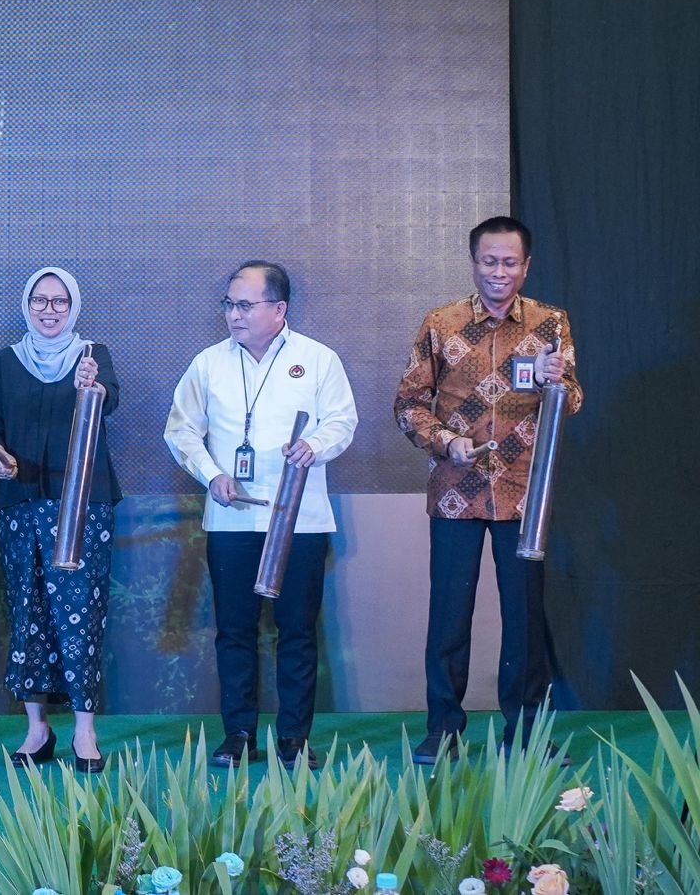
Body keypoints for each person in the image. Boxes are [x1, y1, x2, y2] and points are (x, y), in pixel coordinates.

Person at [393, 215, 583, 764]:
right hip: (456, 490)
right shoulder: (442, 323)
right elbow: (407, 405)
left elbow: (572, 400)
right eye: (489, 261)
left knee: (524, 618)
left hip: (526, 494)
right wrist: (444, 441)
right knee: (449, 615)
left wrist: (555, 383)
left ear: (527, 266)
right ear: (473, 262)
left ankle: (525, 734)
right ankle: (443, 730)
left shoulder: (551, 323)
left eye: (510, 262)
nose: (499, 272)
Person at [164, 260, 357, 771]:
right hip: (231, 520)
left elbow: (343, 420)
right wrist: (212, 474)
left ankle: (294, 736)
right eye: (228, 303)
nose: (233, 314)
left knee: (296, 630)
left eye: (244, 305)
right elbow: (180, 429)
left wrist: (315, 445)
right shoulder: (208, 363)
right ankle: (240, 734)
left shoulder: (317, 359)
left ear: (279, 309)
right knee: (234, 630)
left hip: (299, 519)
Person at [0, 267, 120, 773]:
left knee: (80, 615)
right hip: (19, 502)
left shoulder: (91, 355)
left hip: (82, 506)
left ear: (73, 306)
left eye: (60, 302)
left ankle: (84, 730)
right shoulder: (7, 360)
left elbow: (109, 400)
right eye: (40, 300)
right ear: (27, 304)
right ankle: (37, 729)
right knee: (28, 612)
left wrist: (92, 385)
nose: (50, 310)